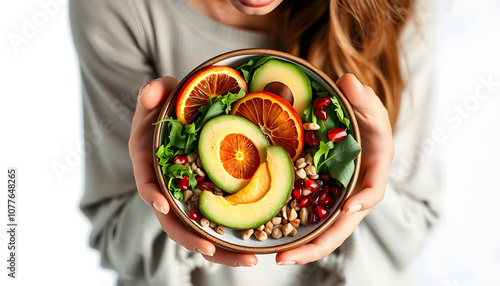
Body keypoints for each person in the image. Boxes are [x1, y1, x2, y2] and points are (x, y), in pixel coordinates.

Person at [70, 0, 444, 285]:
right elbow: (117, 237)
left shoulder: (391, 8)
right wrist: (170, 192)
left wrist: (361, 188)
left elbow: (411, 228)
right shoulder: (116, 8)